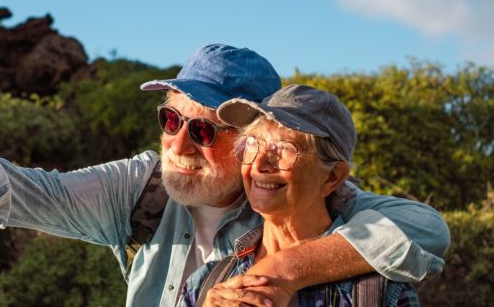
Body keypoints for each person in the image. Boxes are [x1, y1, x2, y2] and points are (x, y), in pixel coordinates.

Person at [0, 44, 448, 307]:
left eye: (205, 130)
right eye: (171, 121)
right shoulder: (140, 190)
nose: (180, 144)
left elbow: (420, 228)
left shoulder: (301, 207)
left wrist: (283, 274)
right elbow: (14, 190)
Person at [178, 84, 421, 306]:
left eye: (283, 148)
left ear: (332, 177)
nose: (259, 163)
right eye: (252, 144)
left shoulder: (379, 292)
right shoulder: (206, 283)